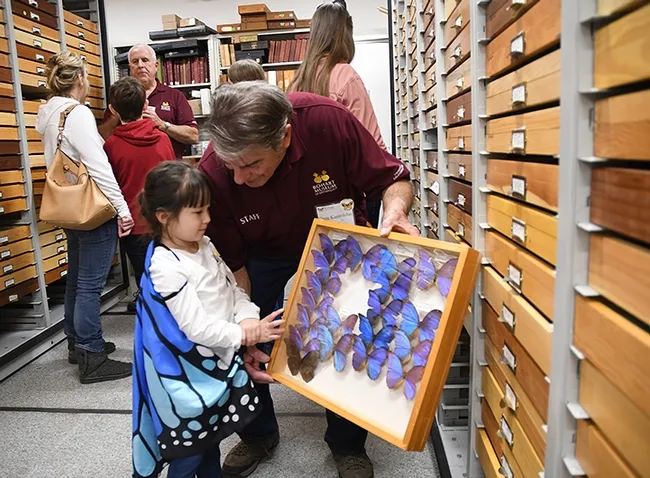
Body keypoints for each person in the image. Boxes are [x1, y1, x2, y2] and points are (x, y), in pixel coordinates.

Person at [198, 82, 418, 478]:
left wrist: (395, 209)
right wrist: (244, 325)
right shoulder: (216, 171)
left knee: (348, 331)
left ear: (284, 136)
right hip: (259, 254)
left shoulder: (327, 122)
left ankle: (348, 444)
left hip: (338, 244)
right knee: (247, 334)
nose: (240, 177)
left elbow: (392, 178)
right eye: (232, 167)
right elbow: (237, 273)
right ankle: (256, 432)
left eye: (250, 165)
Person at [132, 161, 285, 478]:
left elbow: (233, 292)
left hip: (214, 369)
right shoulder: (167, 266)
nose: (208, 219)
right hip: (189, 379)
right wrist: (245, 335)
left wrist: (246, 319)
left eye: (208, 209)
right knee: (190, 453)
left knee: (210, 442)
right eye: (197, 213)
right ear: (164, 217)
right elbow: (196, 328)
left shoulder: (205, 245)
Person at [36, 50, 134, 384]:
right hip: (93, 210)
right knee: (90, 284)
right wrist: (123, 209)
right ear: (80, 79)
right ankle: (92, 356)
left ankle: (76, 343)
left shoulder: (48, 112)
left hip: (69, 207)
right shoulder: (76, 114)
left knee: (77, 278)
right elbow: (98, 166)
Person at [289, 0, 386, 227]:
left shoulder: (297, 81)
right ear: (345, 35)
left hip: (310, 193)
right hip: (350, 194)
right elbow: (373, 144)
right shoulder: (345, 76)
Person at [103, 76, 176, 312]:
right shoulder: (163, 139)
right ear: (146, 105)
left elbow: (110, 185)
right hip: (166, 223)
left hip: (134, 225)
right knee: (170, 278)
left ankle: (151, 324)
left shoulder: (111, 145)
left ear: (113, 110)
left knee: (145, 277)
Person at [98, 44, 198, 160]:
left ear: (156, 66)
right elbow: (102, 137)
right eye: (135, 62)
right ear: (130, 68)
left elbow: (193, 136)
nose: (140, 65)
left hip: (168, 171)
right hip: (130, 167)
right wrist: (119, 112)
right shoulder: (119, 96)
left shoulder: (175, 96)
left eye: (145, 60)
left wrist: (163, 125)